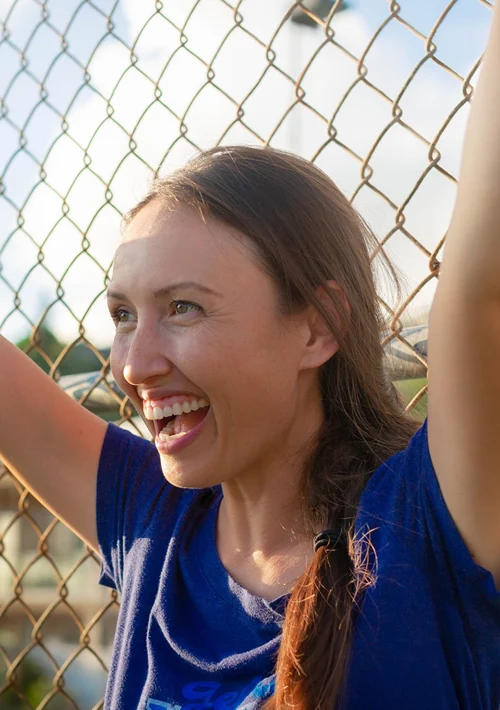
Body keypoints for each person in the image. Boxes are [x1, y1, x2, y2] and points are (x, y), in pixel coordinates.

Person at [2, 8, 500, 710]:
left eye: (183, 308)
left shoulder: (426, 523)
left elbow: (484, 287)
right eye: (122, 316)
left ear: (317, 327)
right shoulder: (155, 525)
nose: (134, 366)